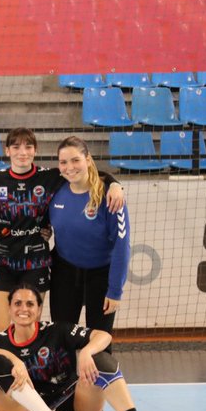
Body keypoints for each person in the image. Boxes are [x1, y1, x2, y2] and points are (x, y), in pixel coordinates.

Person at [0, 285, 167, 411]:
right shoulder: (0, 342)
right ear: (9, 308)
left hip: (75, 401)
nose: (23, 309)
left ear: (39, 309)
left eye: (30, 304)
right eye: (17, 303)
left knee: (101, 360)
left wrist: (87, 351)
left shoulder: (56, 330)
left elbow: (104, 336)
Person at [0, 127, 124, 334]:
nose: (22, 152)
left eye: (28, 147)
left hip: (35, 261)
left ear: (36, 150)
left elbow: (88, 173)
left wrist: (114, 184)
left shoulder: (51, 176)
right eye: (16, 147)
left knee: (28, 330)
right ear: (7, 151)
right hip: (1, 259)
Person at [49, 137, 130, 333]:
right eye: (63, 162)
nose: (70, 167)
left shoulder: (110, 197)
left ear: (87, 159)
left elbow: (122, 246)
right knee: (62, 338)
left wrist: (115, 291)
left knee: (99, 343)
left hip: (101, 277)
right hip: (64, 274)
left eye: (75, 160)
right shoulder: (54, 188)